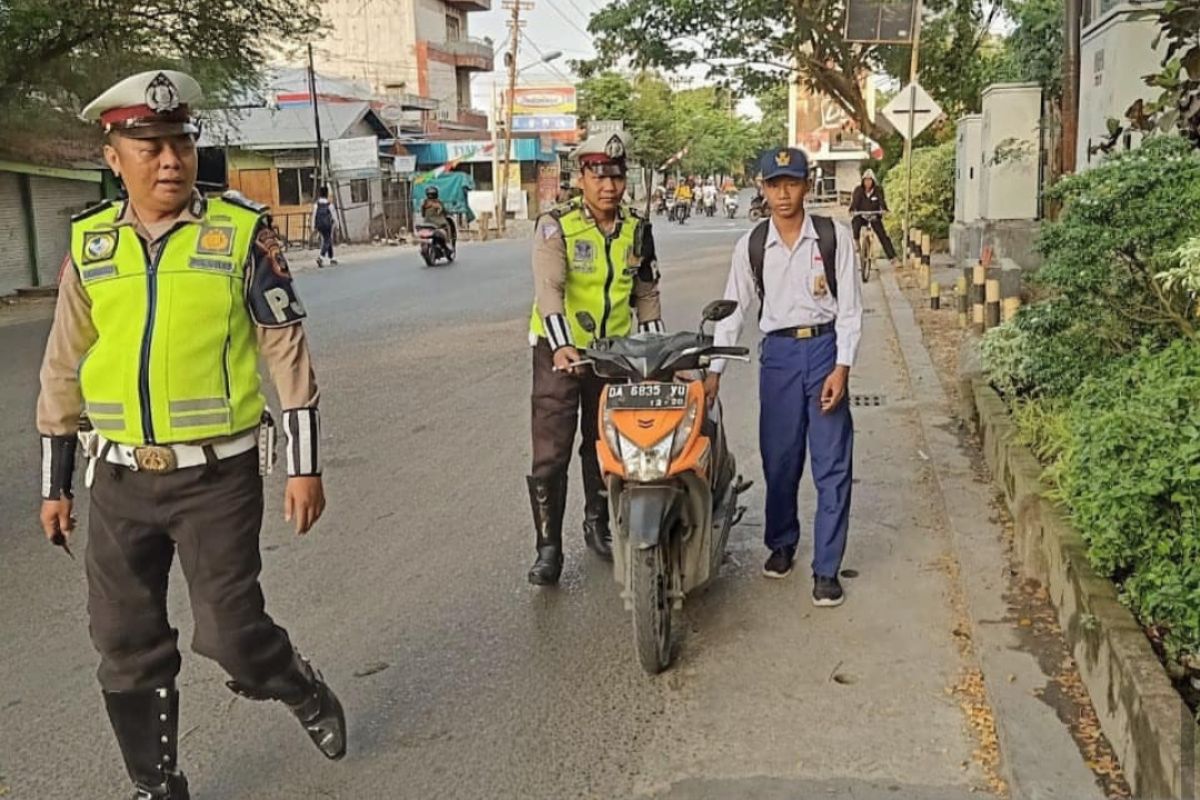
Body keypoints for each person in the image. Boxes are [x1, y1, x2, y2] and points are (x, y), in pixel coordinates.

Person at [36, 70, 346, 800]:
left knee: (231, 636)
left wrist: (305, 468)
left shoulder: (241, 233)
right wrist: (51, 483)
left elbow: (286, 350)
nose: (170, 159)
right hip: (116, 480)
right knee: (123, 642)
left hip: (217, 478)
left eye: (179, 141)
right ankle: (157, 784)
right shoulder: (90, 245)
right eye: (150, 145)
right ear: (114, 156)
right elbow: (62, 363)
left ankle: (295, 682)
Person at [704, 147, 862, 607]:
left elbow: (850, 308)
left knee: (831, 462)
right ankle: (782, 542)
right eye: (775, 184)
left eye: (792, 183)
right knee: (780, 459)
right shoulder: (752, 245)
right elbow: (733, 311)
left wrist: (842, 366)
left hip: (824, 349)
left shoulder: (834, 238)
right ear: (764, 188)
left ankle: (827, 569)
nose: (784, 193)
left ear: (806, 185)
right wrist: (714, 370)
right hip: (778, 357)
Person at [526, 130, 665, 585]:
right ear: (581, 177)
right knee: (552, 451)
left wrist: (657, 352)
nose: (609, 186)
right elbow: (550, 291)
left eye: (617, 176)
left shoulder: (636, 227)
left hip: (615, 355)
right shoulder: (556, 224)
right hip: (559, 350)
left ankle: (598, 523)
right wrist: (565, 346)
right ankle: (548, 548)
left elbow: (646, 295)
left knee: (604, 444)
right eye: (599, 176)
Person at [848, 169, 897, 262]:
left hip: (874, 216)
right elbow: (854, 202)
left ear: (873, 181)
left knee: (882, 235)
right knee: (855, 222)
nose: (867, 183)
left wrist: (884, 210)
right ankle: (857, 242)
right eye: (865, 180)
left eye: (870, 180)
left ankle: (892, 257)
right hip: (861, 215)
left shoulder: (878, 190)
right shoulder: (858, 190)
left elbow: (882, 202)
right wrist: (852, 210)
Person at [312, 186, 336, 267]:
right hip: (327, 224)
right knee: (327, 240)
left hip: (319, 225)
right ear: (326, 194)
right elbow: (334, 215)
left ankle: (332, 258)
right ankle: (321, 257)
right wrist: (337, 224)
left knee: (328, 239)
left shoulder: (316, 205)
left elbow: (314, 215)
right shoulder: (329, 205)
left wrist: (313, 226)